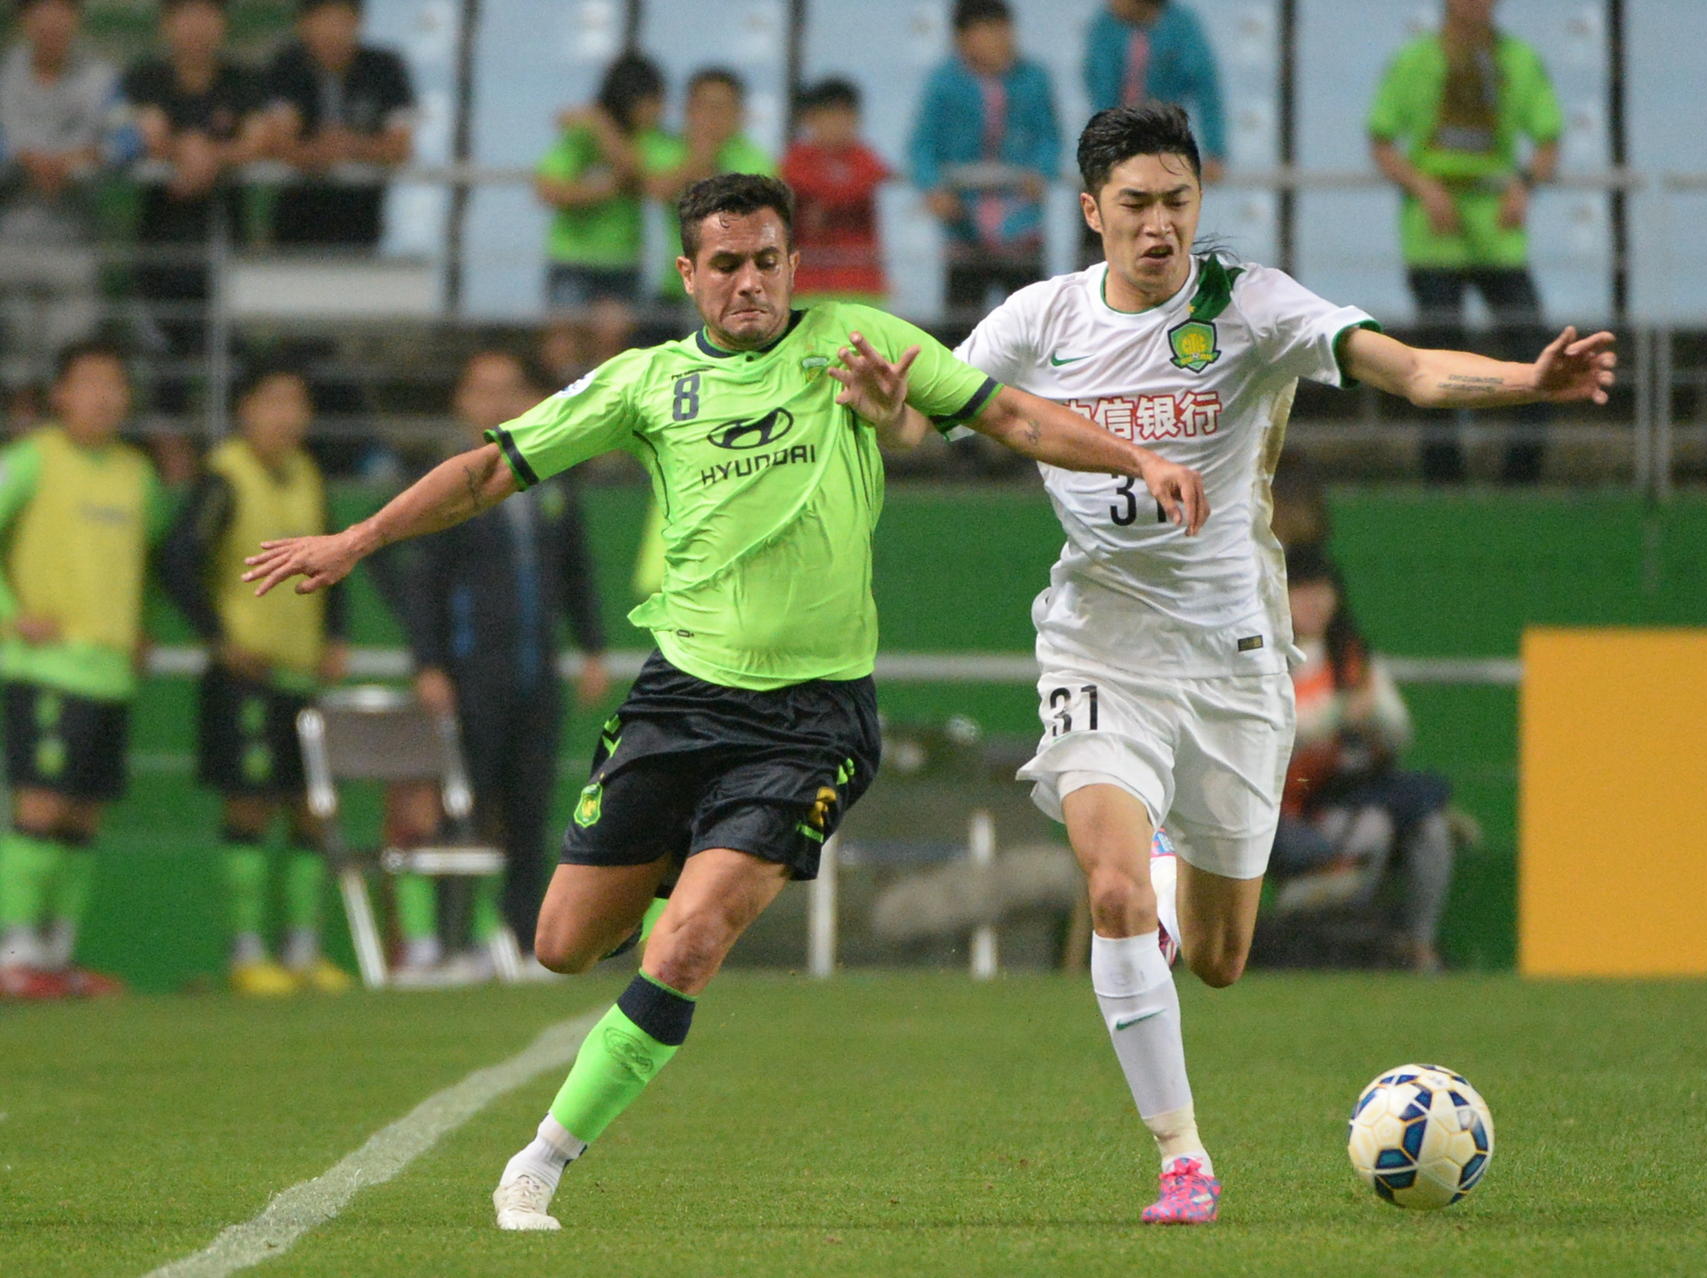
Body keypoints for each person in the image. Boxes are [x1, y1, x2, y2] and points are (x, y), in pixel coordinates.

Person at [242, 171, 1207, 1231]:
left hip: (810, 722)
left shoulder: (856, 342)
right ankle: (684, 861)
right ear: (688, 274)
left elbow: (1010, 413)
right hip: (678, 704)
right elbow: (489, 470)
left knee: (690, 940)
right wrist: (356, 539)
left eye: (769, 261)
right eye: (728, 265)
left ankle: (542, 1161)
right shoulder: (646, 383)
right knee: (562, 944)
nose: (751, 283)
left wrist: (1137, 455)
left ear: (793, 261)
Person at [913, 102, 1610, 1222]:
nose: (1159, 227)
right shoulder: (1038, 318)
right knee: (1111, 885)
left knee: (1226, 956)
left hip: (1237, 660)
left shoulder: (1248, 303)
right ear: (1091, 211)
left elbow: (1415, 370)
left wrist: (1530, 383)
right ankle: (1182, 1158)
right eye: (1134, 205)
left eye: (1176, 202)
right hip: (1098, 640)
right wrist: (873, 401)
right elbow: (930, 407)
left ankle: (1165, 905)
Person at [399, 349, 608, 976]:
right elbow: (423, 581)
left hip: (535, 676)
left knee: (530, 810)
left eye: (510, 387)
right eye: (484, 389)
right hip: (470, 677)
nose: (498, 401)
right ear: (461, 401)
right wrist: (429, 663)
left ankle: (523, 944)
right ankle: (453, 941)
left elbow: (576, 572)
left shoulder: (551, 478)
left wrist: (592, 648)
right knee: (464, 810)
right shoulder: (447, 482)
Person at [158, 363, 352, 995]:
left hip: (299, 675)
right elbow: (176, 557)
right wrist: (220, 637)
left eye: (296, 402)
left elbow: (335, 556)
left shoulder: (308, 476)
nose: (287, 416)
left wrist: (336, 636)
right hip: (245, 676)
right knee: (247, 805)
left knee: (307, 811)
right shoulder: (225, 476)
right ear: (245, 411)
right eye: (273, 401)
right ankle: (247, 953)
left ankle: (300, 951)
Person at [0, 343, 162, 1001]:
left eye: (114, 383)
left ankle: (57, 955)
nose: (104, 396)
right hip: (46, 668)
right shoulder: (31, 459)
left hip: (111, 673)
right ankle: (13, 952)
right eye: (89, 383)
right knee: (38, 804)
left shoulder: (137, 474)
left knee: (84, 816)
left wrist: (139, 628)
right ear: (59, 394)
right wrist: (10, 614)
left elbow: (138, 563)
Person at [1369, 0, 1563, 485]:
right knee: (1436, 360)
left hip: (1498, 234)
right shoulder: (1415, 61)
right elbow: (1382, 141)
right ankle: (1443, 482)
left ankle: (1521, 482)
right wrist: (1426, 188)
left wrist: (1523, 184)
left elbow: (1548, 140)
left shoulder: (1519, 60)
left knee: (1533, 350)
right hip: (1434, 237)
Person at [1272, 541, 1453, 973]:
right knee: (1373, 828)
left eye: (1323, 591)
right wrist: (1338, 713)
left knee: (1432, 829)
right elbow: (1278, 735)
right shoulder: (1266, 660)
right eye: (1302, 591)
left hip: (1356, 792)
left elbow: (1399, 730)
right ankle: (1347, 949)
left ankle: (1418, 946)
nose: (1315, 601)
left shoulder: (1351, 657)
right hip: (1294, 806)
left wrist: (1374, 719)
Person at [123, 0, 269, 418]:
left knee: (231, 366)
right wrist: (187, 150)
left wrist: (209, 156)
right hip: (160, 250)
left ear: (222, 24)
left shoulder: (242, 81)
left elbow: (259, 140)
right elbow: (148, 135)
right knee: (164, 375)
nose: (197, 26)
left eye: (208, 14)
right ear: (167, 24)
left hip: (227, 249)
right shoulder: (147, 78)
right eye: (185, 14)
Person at [0, 0, 125, 398]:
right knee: (17, 374)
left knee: (70, 367)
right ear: (23, 18)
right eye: (41, 9)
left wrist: (82, 160)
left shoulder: (102, 78)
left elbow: (130, 137)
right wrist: (23, 160)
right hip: (9, 244)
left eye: (63, 9)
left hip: (76, 247)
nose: (52, 20)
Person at [908, 0, 1061, 316]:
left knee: (1030, 319)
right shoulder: (943, 83)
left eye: (1003, 30)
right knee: (962, 321)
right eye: (986, 31)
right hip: (963, 224)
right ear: (961, 39)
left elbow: (1049, 136)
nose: (999, 40)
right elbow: (921, 146)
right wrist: (934, 188)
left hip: (1021, 223)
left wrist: (1041, 172)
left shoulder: (1034, 78)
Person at [263, 0, 415, 247]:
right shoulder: (287, 67)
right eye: (324, 21)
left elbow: (401, 147)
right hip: (294, 225)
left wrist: (352, 146)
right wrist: (318, 153)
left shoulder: (386, 68)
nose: (333, 33)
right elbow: (279, 143)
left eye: (341, 21)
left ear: (358, 23)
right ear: (304, 25)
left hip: (363, 225)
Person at [537, 53, 663, 316]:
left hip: (622, 259)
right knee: (564, 339)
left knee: (613, 341)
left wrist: (600, 124)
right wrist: (603, 189)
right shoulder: (581, 138)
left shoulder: (650, 139)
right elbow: (548, 189)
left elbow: (634, 172)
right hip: (571, 256)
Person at [640, 68, 777, 305]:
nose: (713, 117)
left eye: (722, 108)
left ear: (739, 113)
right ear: (687, 109)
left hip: (735, 287)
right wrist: (700, 157)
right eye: (704, 106)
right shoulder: (666, 149)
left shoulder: (755, 160)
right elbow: (658, 190)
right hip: (674, 285)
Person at [1083, 0, 1225, 183]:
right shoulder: (1104, 27)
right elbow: (1101, 91)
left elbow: (1207, 91)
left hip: (1165, 144)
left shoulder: (1181, 27)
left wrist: (1214, 151)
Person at [782, 78, 890, 305]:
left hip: (861, 282)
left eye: (846, 116)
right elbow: (794, 183)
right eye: (830, 116)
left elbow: (873, 179)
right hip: (807, 282)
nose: (838, 124)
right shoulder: (797, 158)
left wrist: (822, 200)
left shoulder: (864, 157)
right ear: (810, 119)